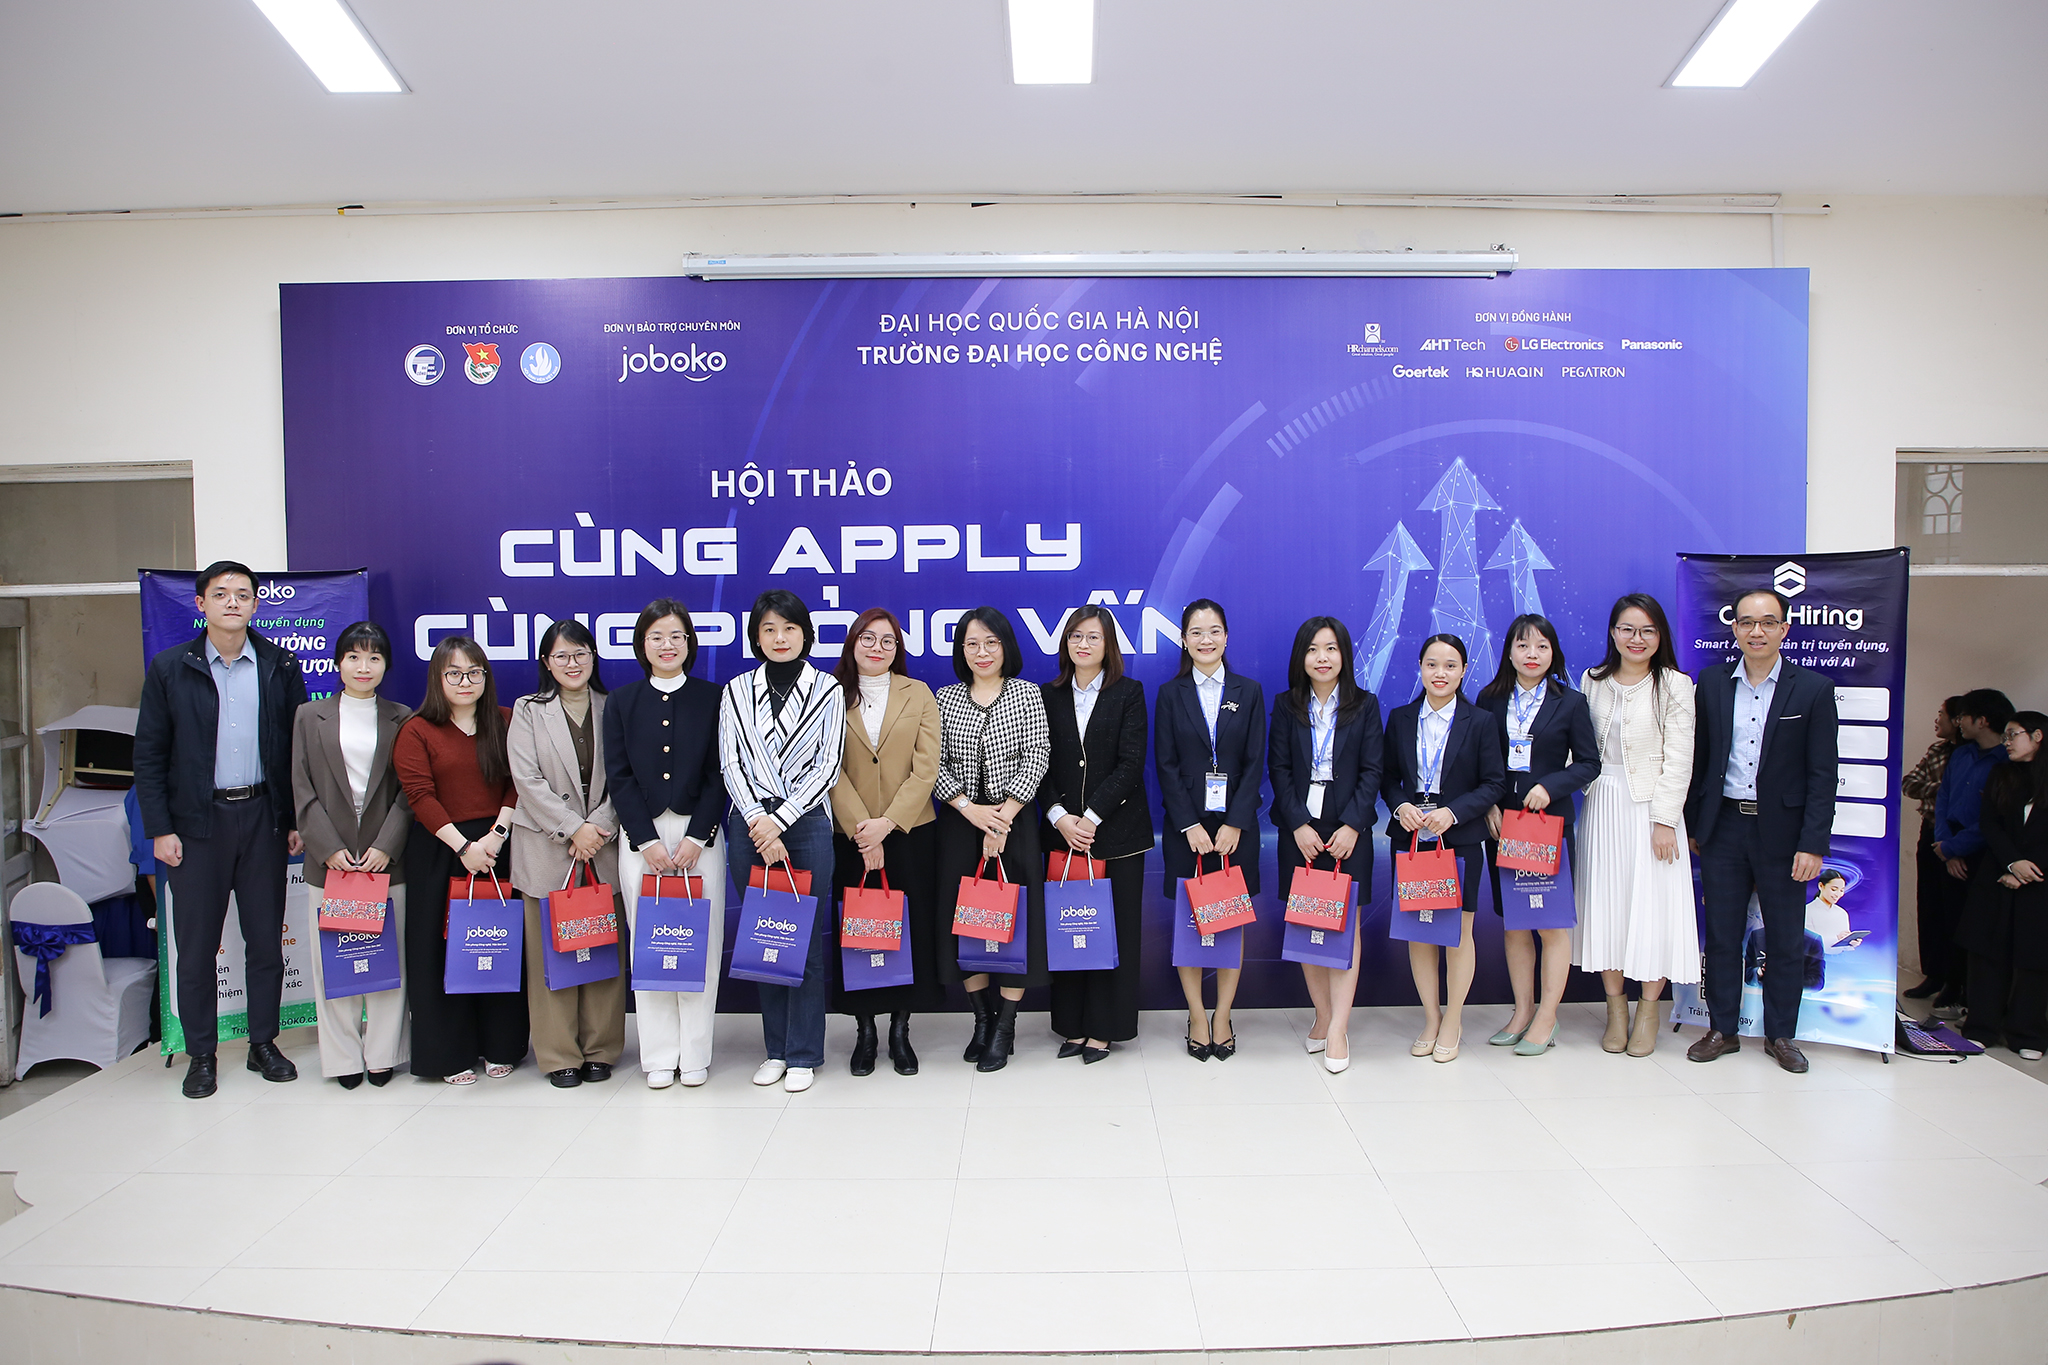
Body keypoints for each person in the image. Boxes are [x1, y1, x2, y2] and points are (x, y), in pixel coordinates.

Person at [134, 560, 308, 1099]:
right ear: (201, 604)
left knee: (265, 941)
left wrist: (293, 819)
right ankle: (202, 1055)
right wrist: (160, 828)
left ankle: (263, 1044)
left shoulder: (279, 664)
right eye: (221, 593)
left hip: (262, 819)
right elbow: (149, 755)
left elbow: (297, 750)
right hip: (196, 826)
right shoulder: (170, 668)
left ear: (256, 604)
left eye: (243, 594)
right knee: (196, 948)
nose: (233, 602)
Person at [1685, 587, 1839, 1074]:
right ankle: (1722, 1029)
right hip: (1724, 827)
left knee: (1787, 938)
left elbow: (1822, 775)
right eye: (1747, 622)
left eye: (1768, 622)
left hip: (1784, 834)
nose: (1757, 631)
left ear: (1784, 629)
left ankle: (1781, 1036)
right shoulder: (1711, 683)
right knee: (1723, 935)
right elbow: (1699, 760)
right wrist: (1695, 825)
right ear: (1734, 628)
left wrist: (1812, 844)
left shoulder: (1812, 689)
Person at [720, 590, 846, 1094]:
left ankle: (803, 1052)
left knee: (804, 938)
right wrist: (758, 820)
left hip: (806, 822)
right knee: (765, 937)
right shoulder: (736, 690)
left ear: (805, 634)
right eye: (769, 629)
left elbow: (828, 765)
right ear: (756, 637)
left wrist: (780, 820)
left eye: (789, 628)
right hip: (749, 825)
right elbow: (730, 762)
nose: (779, 638)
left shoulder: (827, 689)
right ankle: (775, 1049)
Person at [606, 600, 728, 1089]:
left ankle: (695, 1053)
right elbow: (619, 777)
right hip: (644, 839)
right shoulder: (622, 701)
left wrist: (699, 836)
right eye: (656, 636)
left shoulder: (712, 697)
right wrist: (645, 840)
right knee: (650, 941)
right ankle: (658, 1055)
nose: (667, 645)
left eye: (677, 636)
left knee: (701, 942)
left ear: (689, 643)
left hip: (700, 837)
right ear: (643, 644)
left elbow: (721, 772)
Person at [394, 636, 525, 1083]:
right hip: (442, 849)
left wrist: (496, 837)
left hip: (497, 847)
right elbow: (419, 796)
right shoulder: (416, 730)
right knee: (442, 953)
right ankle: (448, 1054)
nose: (465, 681)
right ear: (438, 678)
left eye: (474, 672)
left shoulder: (505, 721)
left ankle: (500, 1044)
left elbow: (518, 782)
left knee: (496, 946)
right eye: (454, 673)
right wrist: (465, 848)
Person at [1572, 594, 1697, 1058]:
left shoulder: (1675, 685)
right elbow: (1577, 745)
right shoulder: (1593, 680)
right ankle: (1616, 1010)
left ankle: (1648, 1012)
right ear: (1613, 633)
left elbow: (1680, 758)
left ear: (1660, 635)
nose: (1636, 639)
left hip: (1653, 810)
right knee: (1608, 907)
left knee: (1653, 908)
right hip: (1602, 805)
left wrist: (1664, 820)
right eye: (1627, 629)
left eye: (1647, 630)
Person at [290, 621, 411, 1088]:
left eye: (374, 658)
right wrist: (328, 848)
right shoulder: (309, 716)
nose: (364, 666)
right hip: (331, 864)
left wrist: (386, 845)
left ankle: (383, 1054)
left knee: (387, 961)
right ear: (338, 663)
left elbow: (408, 792)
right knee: (334, 964)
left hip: (385, 862)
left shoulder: (401, 717)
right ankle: (342, 1058)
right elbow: (301, 787)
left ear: (386, 665)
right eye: (354, 657)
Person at [508, 619, 625, 1089]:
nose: (572, 663)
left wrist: (597, 828)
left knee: (602, 951)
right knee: (550, 956)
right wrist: (574, 828)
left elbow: (626, 776)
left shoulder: (614, 706)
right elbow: (526, 779)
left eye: (580, 654)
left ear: (593, 657)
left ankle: (601, 1049)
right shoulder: (529, 710)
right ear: (546, 662)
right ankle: (558, 1054)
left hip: (603, 845)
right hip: (547, 847)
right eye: (561, 656)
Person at [933, 607, 1051, 1071]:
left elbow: (1038, 754)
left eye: (991, 643)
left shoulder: (1026, 694)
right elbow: (934, 763)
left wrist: (1001, 819)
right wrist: (969, 809)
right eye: (971, 644)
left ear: (1005, 647)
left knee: (1014, 923)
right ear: (961, 650)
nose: (981, 652)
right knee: (968, 922)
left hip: (1014, 820)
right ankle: (981, 1019)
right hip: (960, 823)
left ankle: (1005, 1026)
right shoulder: (945, 698)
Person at [1476, 614, 1598, 1056]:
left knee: (1549, 923)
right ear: (1509, 652)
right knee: (1515, 924)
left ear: (1553, 653)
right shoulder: (1489, 699)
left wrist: (1551, 787)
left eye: (1542, 646)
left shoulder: (1571, 702)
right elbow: (1476, 759)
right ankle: (1522, 1011)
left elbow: (1589, 763)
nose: (1532, 654)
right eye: (1523, 646)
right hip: (1502, 825)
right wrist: (1487, 804)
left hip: (1548, 826)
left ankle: (1547, 1016)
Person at [829, 607, 943, 1077]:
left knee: (907, 933)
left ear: (898, 648)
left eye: (888, 641)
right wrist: (864, 828)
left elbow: (927, 767)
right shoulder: (829, 694)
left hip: (910, 833)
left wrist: (888, 824)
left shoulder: (919, 693)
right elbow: (827, 767)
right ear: (853, 644)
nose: (877, 648)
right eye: (868, 639)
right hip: (851, 835)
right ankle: (865, 1029)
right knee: (859, 932)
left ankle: (900, 1028)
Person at [1381, 633, 1505, 1062]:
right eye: (1432, 664)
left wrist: (1453, 813)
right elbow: (1386, 777)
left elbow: (1493, 783)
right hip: (1413, 838)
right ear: (1420, 667)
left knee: (1457, 934)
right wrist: (1400, 806)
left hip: (1460, 839)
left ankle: (1453, 1019)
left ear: (1464, 671)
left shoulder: (1481, 721)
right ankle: (1431, 1018)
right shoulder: (1400, 718)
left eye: (1450, 665)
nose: (1440, 673)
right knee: (1420, 932)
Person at [1267, 616, 1383, 1073]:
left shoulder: (1365, 705)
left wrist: (1353, 824)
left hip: (1347, 828)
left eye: (1331, 648)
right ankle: (1322, 1014)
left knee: (1345, 927)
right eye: (1313, 649)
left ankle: (1339, 1029)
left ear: (1344, 655)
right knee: (1308, 924)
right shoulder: (1286, 705)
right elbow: (1278, 769)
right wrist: (1297, 824)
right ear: (1301, 657)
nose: (1322, 658)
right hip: (1301, 828)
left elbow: (1373, 770)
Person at [1040, 606, 1154, 1064]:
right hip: (1063, 835)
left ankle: (1105, 1028)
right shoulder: (1046, 695)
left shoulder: (1129, 692)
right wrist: (1059, 817)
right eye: (1075, 636)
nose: (1083, 644)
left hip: (1118, 836)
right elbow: (1038, 761)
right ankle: (1072, 1025)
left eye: (1093, 637)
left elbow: (1131, 763)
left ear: (1109, 644)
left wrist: (1090, 817)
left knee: (1113, 932)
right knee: (1070, 928)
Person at [1154, 598, 1264, 1060]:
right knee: (1191, 923)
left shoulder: (1249, 691)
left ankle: (1223, 1015)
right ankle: (1197, 1014)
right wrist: (1189, 825)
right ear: (1184, 640)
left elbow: (1255, 763)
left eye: (1214, 630)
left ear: (1226, 637)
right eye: (1196, 632)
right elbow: (1165, 765)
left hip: (1236, 829)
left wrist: (1235, 821)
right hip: (1188, 831)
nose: (1206, 640)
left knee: (1229, 922)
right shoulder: (1170, 693)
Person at [1958, 711, 2048, 1059]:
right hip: (1997, 874)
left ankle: (2028, 1034)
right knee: (1986, 953)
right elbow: (1989, 824)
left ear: (2037, 736)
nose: (2006, 742)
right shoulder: (2001, 773)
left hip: (2039, 881)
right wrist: (2012, 862)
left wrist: (2028, 868)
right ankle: (1981, 1027)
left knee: (2033, 959)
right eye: (2006, 736)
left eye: (2014, 735)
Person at [1928, 688, 2015, 1020]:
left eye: (1964, 716)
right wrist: (1945, 846)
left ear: (1982, 720)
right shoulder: (1961, 754)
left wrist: (1956, 847)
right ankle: (1951, 987)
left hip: (1982, 853)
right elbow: (1944, 798)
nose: (1959, 721)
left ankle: (1975, 999)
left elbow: (1993, 818)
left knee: (1980, 931)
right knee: (1949, 922)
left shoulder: (2005, 762)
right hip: (1948, 847)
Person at [1900, 697, 1964, 1000]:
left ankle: (1957, 981)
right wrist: (1943, 789)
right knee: (1929, 905)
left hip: (1959, 837)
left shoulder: (1972, 755)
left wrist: (1942, 792)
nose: (1937, 720)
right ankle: (1933, 974)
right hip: (1930, 830)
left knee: (1955, 910)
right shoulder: (1937, 751)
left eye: (1942, 714)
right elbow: (1909, 783)